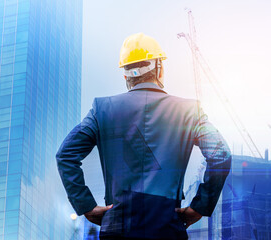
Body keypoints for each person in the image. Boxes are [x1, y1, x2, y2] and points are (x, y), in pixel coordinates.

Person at [56, 33, 232, 239]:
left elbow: (65, 155)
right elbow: (220, 154)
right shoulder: (189, 111)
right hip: (167, 225)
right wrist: (199, 207)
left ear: (126, 76)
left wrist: (85, 205)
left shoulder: (101, 109)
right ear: (159, 67)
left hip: (117, 227)